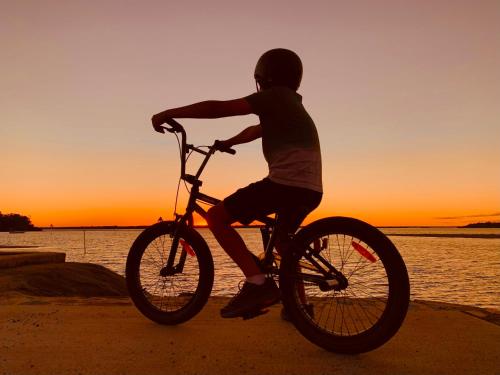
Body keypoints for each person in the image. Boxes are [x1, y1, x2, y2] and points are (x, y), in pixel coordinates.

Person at [151, 48, 322, 319]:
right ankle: (299, 307)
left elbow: (218, 108)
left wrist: (169, 112)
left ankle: (258, 284)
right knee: (283, 244)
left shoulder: (273, 97)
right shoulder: (290, 105)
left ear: (264, 76)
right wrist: (228, 142)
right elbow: (256, 130)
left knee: (216, 217)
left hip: (285, 184)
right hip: (310, 189)